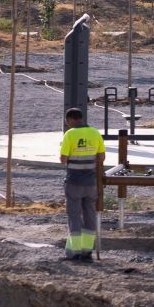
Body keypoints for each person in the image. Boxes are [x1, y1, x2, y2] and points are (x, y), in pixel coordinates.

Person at [58, 107, 106, 262]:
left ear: (70, 119)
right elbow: (101, 157)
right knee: (90, 216)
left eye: (67, 121)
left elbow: (63, 159)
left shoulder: (70, 134)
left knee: (74, 216)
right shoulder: (95, 133)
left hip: (74, 182)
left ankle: (75, 252)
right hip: (91, 183)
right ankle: (87, 252)